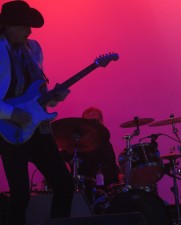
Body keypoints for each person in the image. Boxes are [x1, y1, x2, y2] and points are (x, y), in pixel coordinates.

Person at [0, 1, 74, 225]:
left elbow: (35, 92)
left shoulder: (34, 49)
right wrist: (11, 114)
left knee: (64, 184)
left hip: (37, 127)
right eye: (25, 26)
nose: (30, 31)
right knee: (20, 195)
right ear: (9, 26)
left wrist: (52, 97)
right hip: (8, 130)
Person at [60, 106, 120, 205]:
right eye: (89, 121)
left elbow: (111, 164)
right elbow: (61, 159)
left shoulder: (106, 143)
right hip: (84, 189)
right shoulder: (75, 144)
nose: (93, 124)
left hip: (108, 190)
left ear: (102, 122)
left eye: (96, 120)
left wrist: (120, 174)